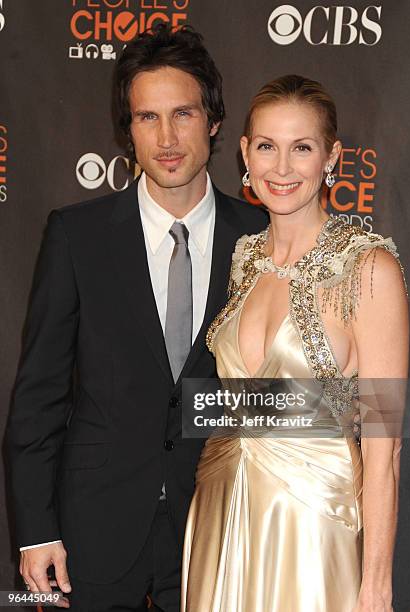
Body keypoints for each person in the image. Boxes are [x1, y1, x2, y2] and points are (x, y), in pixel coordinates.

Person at [6, 25, 267, 611]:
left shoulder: (261, 239)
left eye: (183, 114)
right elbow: (39, 395)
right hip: (91, 527)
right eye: (147, 118)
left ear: (215, 120)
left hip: (218, 526)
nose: (167, 138)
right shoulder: (77, 235)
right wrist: (35, 530)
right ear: (127, 129)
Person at [181, 75, 409, 611]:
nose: (280, 169)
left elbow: (386, 446)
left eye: (301, 148)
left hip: (312, 527)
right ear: (244, 152)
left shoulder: (368, 268)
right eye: (267, 146)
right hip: (220, 516)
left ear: (331, 158)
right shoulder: (244, 259)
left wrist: (375, 586)